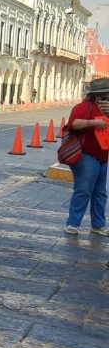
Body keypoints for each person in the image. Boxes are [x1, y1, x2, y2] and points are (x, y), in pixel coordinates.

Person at [64, 78, 109, 236]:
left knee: (100, 192)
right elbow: (73, 124)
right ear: (98, 96)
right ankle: (73, 223)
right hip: (85, 153)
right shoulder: (84, 107)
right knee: (83, 189)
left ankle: (98, 225)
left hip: (103, 154)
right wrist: (93, 123)